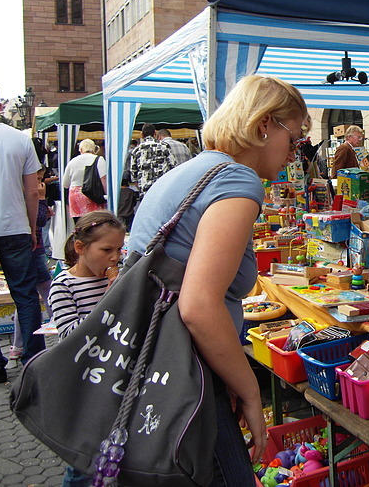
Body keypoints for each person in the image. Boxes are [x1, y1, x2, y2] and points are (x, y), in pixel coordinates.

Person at [128, 75, 308, 484]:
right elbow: (199, 306)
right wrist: (248, 389)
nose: (293, 154)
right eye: (293, 139)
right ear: (264, 125)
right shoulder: (237, 181)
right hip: (186, 373)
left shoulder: (196, 169)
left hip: (161, 363)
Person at [49, 211, 125, 486]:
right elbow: (70, 334)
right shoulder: (63, 286)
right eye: (106, 250)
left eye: (119, 249)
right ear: (80, 248)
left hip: (115, 377)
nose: (115, 258)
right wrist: (110, 299)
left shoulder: (117, 278)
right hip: (82, 385)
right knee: (85, 461)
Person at [0, 83, 46, 380]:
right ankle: (32, 359)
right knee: (25, 295)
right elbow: (33, 191)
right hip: (14, 225)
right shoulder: (18, 139)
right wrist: (33, 226)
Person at [8, 168, 54, 360]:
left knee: (27, 298)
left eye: (40, 179)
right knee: (44, 293)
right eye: (36, 179)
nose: (39, 183)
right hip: (34, 251)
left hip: (25, 249)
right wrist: (42, 199)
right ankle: (59, 328)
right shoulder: (31, 195)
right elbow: (39, 220)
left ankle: (17, 345)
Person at [61, 139, 107, 223]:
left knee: (79, 223)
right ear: (94, 148)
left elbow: (65, 184)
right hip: (92, 194)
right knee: (94, 222)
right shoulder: (99, 159)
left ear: (80, 149)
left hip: (75, 194)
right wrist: (106, 193)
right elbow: (103, 177)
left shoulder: (73, 161)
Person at [129, 123, 176, 195]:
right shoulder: (164, 146)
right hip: (163, 188)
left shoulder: (136, 150)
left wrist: (141, 186)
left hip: (146, 190)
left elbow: (133, 174)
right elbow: (173, 166)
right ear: (155, 133)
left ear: (142, 134)